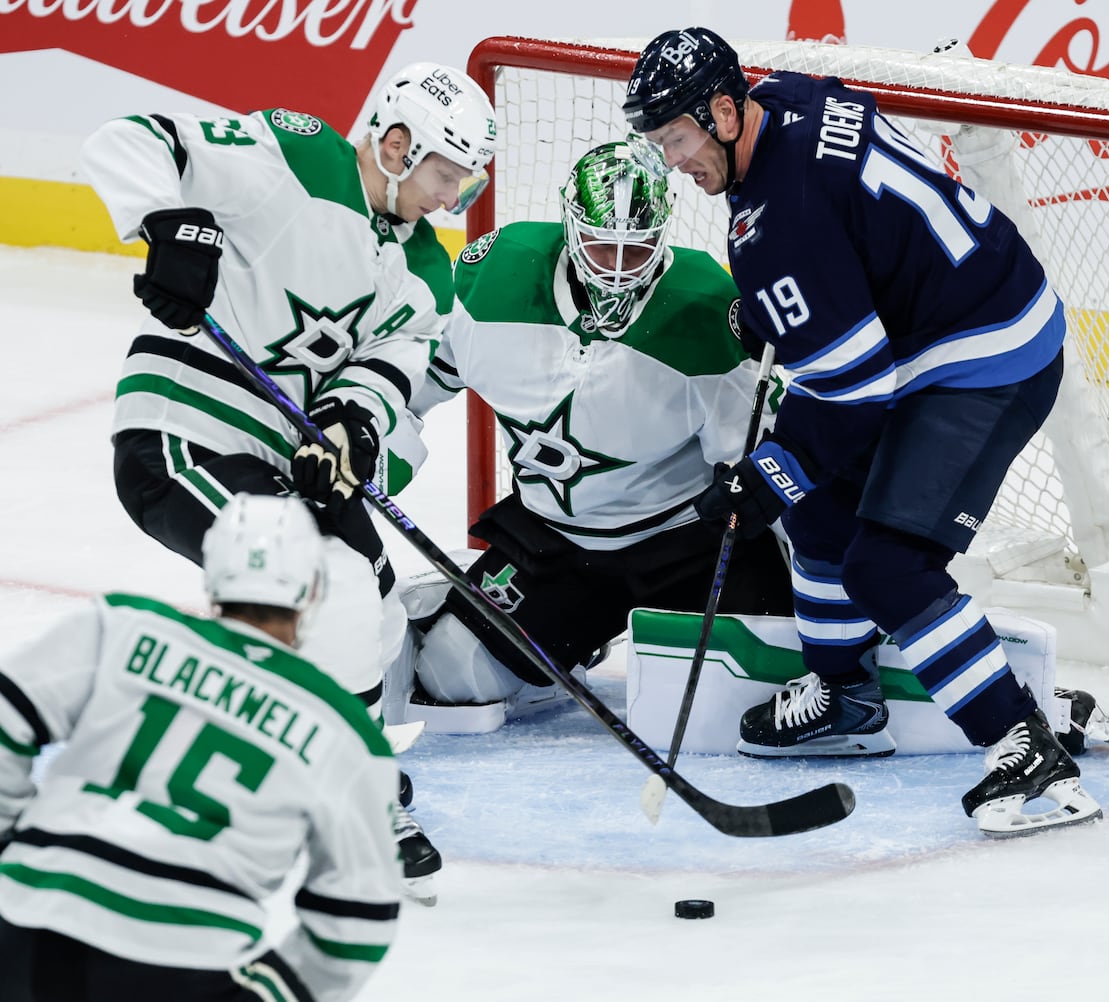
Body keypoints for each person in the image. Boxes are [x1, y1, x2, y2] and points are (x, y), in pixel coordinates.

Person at [622, 27, 1101, 836]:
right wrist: (791, 313)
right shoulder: (789, 101)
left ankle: (1022, 741)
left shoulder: (783, 227)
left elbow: (852, 392)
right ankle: (845, 696)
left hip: (989, 355)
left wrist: (763, 478)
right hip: (944, 314)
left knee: (886, 565)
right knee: (818, 511)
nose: (672, 159)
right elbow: (852, 242)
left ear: (725, 110)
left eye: (676, 136)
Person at [78, 61, 497, 893]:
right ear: (398, 143)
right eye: (446, 175)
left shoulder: (425, 271)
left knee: (373, 600)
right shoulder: (301, 158)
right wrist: (175, 227)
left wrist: (352, 426)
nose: (453, 198)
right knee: (304, 581)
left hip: (274, 455)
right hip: (180, 428)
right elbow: (128, 140)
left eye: (464, 182)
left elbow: (392, 371)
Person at [380, 139, 793, 728]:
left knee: (751, 698)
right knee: (454, 676)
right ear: (571, 227)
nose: (620, 269)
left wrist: (824, 579)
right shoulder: (493, 277)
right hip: (559, 547)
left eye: (638, 250)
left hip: (686, 545)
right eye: (603, 246)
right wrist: (368, 449)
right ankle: (566, 645)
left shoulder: (708, 313)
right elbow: (406, 389)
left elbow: (760, 473)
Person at [0, 494, 402, 1001]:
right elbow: (360, 916)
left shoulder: (121, 627)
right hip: (183, 959)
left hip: (26, 920)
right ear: (313, 589)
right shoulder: (347, 733)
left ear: (211, 570)